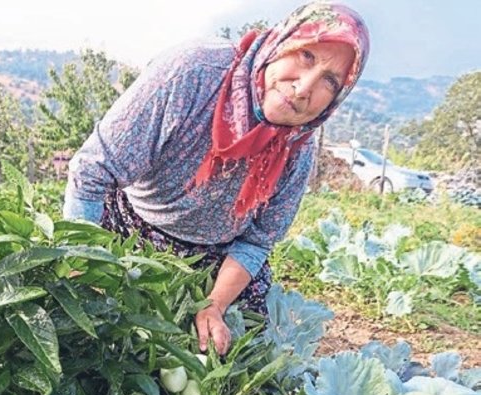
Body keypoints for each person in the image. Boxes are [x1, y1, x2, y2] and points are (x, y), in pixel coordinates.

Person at [62, 1, 370, 355]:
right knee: (104, 344)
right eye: (306, 56)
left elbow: (257, 240)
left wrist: (215, 304)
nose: (304, 88)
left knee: (234, 356)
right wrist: (82, 262)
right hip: (129, 229)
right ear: (281, 43)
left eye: (330, 81)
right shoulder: (193, 74)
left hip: (215, 259)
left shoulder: (297, 146)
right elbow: (92, 170)